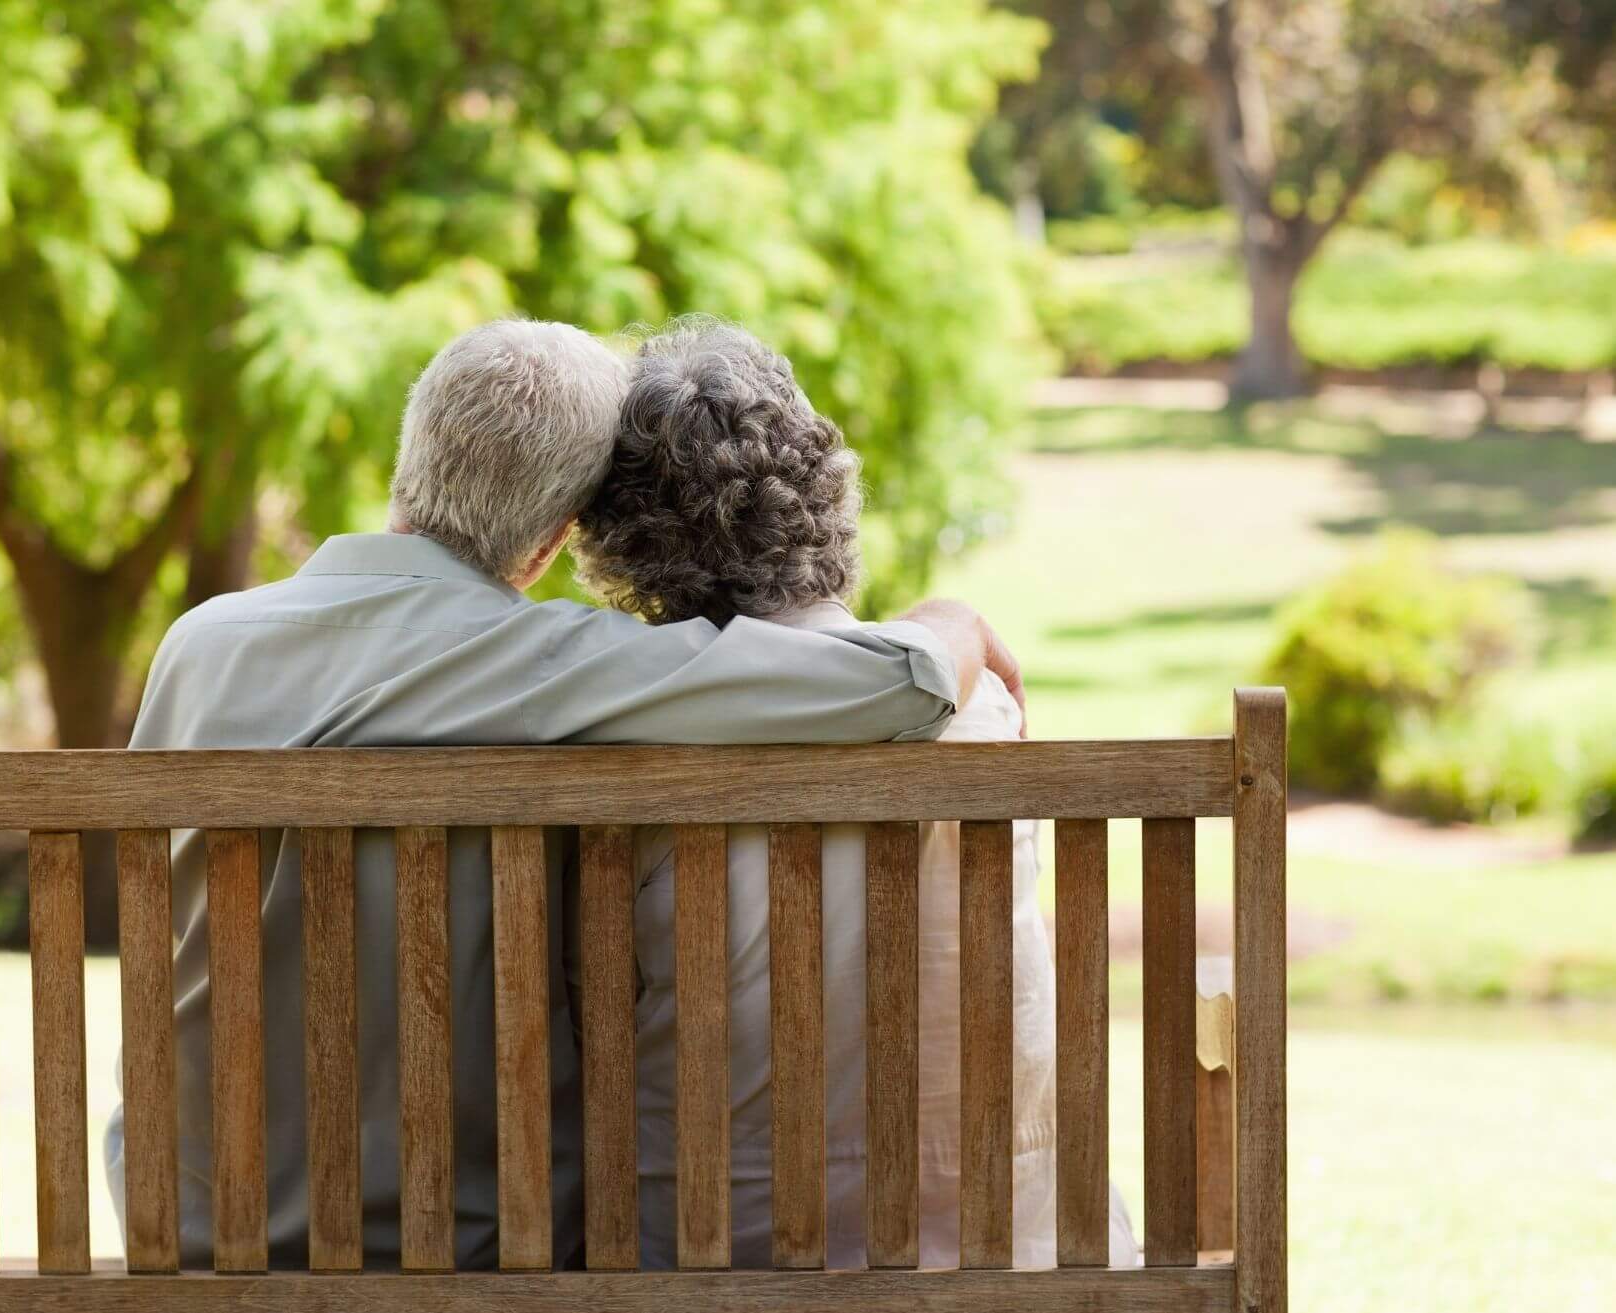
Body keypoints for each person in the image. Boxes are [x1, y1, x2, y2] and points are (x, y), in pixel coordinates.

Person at [110, 318, 1024, 1269]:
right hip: (454, 1245)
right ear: (550, 545)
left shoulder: (198, 644)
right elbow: (895, 684)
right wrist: (950, 620)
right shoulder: (532, 664)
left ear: (410, 456)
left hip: (185, 1231)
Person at [574, 318, 1139, 1269]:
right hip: (1011, 1249)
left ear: (626, 547)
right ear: (825, 500)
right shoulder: (982, 704)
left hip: (715, 1253)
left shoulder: (627, 736)